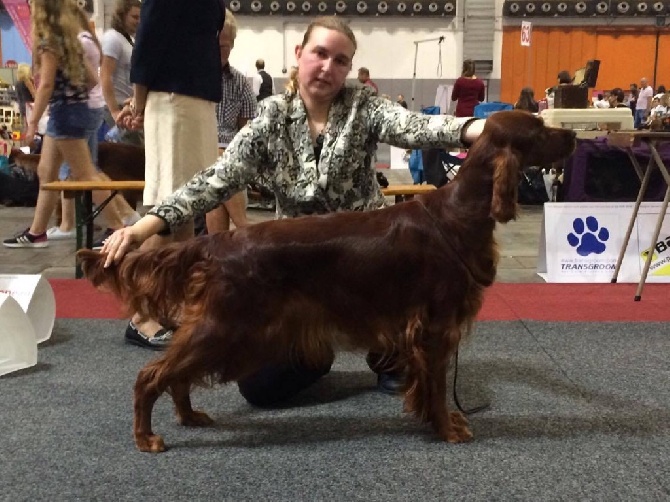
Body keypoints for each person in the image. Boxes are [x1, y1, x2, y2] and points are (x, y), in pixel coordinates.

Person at [103, 16, 486, 403]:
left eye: (340, 60)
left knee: (406, 348)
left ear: (348, 69)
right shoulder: (271, 117)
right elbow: (215, 180)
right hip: (294, 273)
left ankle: (390, 353)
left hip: (368, 266)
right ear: (299, 54)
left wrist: (480, 130)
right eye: (320, 53)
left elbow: (415, 127)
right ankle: (317, 348)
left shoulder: (363, 106)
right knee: (262, 390)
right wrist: (140, 229)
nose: (327, 67)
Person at [114, 0, 225, 348]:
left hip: (197, 99)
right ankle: (141, 314)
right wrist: (139, 103)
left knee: (187, 213)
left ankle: (167, 305)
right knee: (168, 214)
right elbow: (146, 43)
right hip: (174, 99)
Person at [3, 0, 125, 249]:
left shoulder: (49, 42)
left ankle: (119, 227)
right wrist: (74, 94)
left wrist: (33, 121)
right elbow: (92, 80)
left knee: (85, 173)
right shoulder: (71, 39)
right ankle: (37, 232)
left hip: (63, 115)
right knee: (47, 172)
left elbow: (46, 84)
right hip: (74, 112)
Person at [206, 9, 255, 234]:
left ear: (232, 45)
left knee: (218, 180)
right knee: (216, 162)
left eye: (223, 47)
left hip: (229, 154)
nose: (217, 52)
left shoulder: (242, 84)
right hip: (198, 151)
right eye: (212, 46)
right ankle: (245, 229)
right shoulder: (190, 81)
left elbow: (246, 133)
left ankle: (217, 249)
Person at [100, 0, 141, 144]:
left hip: (126, 108)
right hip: (115, 108)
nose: (138, 21)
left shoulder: (127, 40)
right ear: (122, 16)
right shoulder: (113, 38)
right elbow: (105, 76)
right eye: (134, 17)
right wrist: (114, 111)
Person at [15, 63, 36, 139]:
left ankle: (25, 147)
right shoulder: (27, 81)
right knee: (31, 128)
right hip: (29, 107)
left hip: (22, 107)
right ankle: (31, 146)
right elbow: (34, 94)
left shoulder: (17, 83)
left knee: (25, 128)